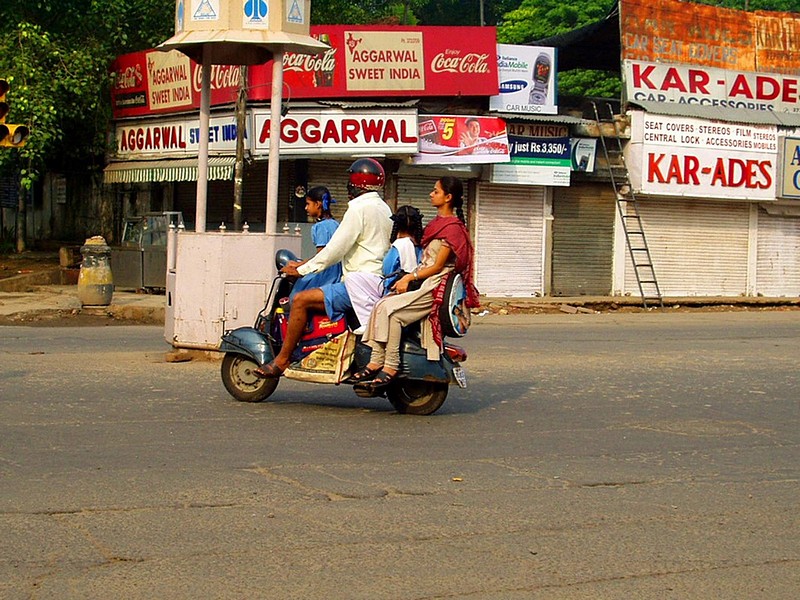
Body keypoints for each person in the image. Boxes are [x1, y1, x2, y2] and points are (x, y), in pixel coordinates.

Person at [254, 158, 392, 378]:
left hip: (357, 284)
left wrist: (301, 270)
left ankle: (281, 360)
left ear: (356, 183)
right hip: (378, 281)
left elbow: (333, 251)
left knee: (299, 300)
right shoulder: (384, 208)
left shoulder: (359, 209)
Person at [349, 176, 480, 389]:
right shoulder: (437, 224)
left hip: (435, 286)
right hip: (423, 281)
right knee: (383, 306)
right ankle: (376, 361)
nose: (431, 194)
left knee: (391, 310)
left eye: (436, 191)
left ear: (448, 197)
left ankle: (390, 365)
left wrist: (410, 277)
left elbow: (437, 266)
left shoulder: (452, 229)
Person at [289, 186, 342, 300]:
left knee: (295, 297)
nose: (306, 208)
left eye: (308, 204)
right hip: (337, 275)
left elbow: (321, 257)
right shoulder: (335, 224)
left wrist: (299, 265)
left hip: (325, 276)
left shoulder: (321, 227)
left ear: (317, 204)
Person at [380, 205, 423, 295]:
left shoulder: (398, 246)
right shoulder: (422, 247)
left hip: (394, 291)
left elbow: (386, 271)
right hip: (418, 292)